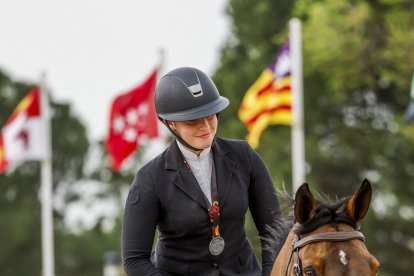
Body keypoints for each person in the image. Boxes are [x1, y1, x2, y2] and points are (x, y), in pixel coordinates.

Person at [122, 67, 282, 276]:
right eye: (193, 120)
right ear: (171, 123)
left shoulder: (244, 156)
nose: (206, 126)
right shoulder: (149, 179)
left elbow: (274, 230)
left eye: (211, 115)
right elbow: (134, 260)